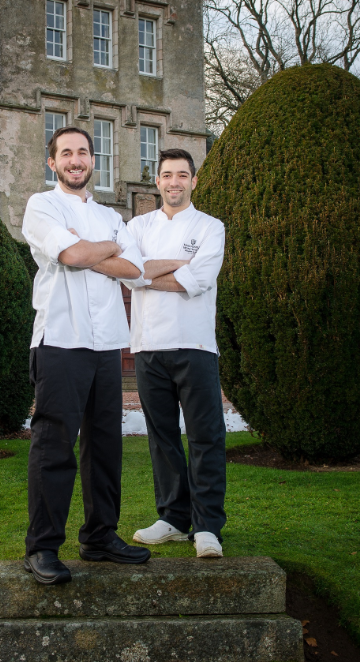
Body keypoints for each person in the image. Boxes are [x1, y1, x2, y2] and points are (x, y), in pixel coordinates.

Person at [19, 126, 152, 585]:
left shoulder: (113, 217)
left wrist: (89, 250)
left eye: (83, 152)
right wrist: (97, 252)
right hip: (60, 340)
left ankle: (99, 536)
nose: (76, 160)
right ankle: (42, 547)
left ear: (94, 161)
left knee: (104, 446)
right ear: (52, 163)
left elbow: (134, 271)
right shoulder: (42, 206)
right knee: (54, 446)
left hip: (106, 344)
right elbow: (70, 255)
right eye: (66, 153)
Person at [123, 148, 228, 559]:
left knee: (206, 437)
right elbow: (130, 273)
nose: (174, 182)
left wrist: (149, 272)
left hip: (196, 344)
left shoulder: (210, 227)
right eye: (167, 175)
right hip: (149, 345)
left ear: (193, 181)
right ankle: (171, 518)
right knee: (162, 438)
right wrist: (172, 267)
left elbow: (198, 278)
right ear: (158, 181)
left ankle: (207, 528)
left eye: (182, 175)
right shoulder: (137, 225)